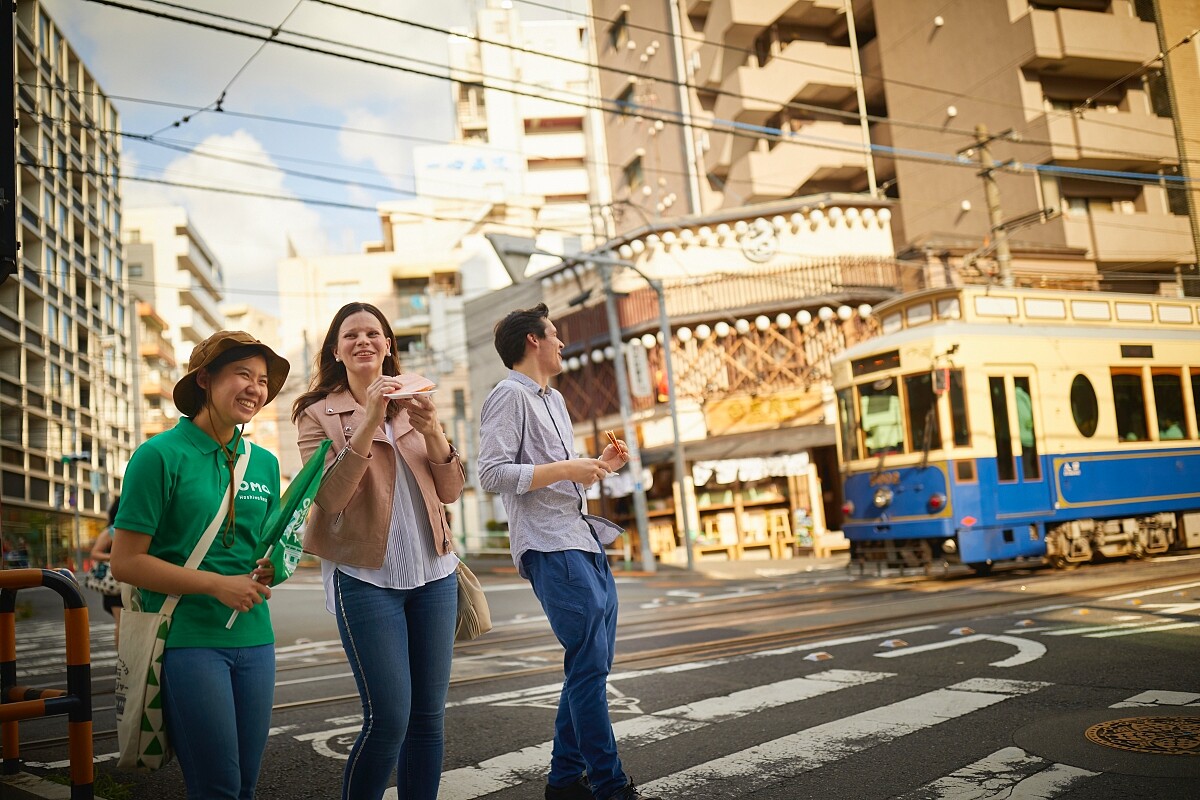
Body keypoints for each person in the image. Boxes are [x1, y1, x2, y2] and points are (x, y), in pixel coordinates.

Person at [477, 304, 658, 800]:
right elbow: (490, 474)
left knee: (589, 665)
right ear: (533, 341)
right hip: (550, 545)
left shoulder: (554, 400)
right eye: (554, 336)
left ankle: (563, 780)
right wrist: (567, 469)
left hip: (583, 539)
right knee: (589, 662)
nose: (561, 344)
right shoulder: (507, 396)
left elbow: (562, 471)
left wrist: (597, 464)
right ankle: (609, 784)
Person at [294, 302, 465, 800]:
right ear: (335, 349)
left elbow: (451, 489)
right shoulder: (316, 413)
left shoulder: (417, 399)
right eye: (352, 335)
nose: (364, 341)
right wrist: (368, 420)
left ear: (389, 344)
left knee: (428, 718)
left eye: (374, 333)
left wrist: (432, 429)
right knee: (389, 718)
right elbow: (330, 497)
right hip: (366, 579)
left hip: (435, 573)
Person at [110, 330, 290, 800]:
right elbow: (126, 562)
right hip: (185, 640)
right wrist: (214, 585)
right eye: (242, 375)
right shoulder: (158, 456)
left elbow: (260, 548)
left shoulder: (265, 463)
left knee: (245, 788)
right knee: (216, 789)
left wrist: (271, 566)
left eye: (263, 379)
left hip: (256, 639)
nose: (255, 387)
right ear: (205, 380)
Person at [90, 497, 124, 639]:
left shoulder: (127, 530)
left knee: (126, 624)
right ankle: (122, 658)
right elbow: (94, 553)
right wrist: (114, 556)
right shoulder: (110, 532)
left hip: (127, 582)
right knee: (121, 624)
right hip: (113, 584)